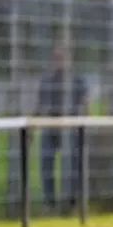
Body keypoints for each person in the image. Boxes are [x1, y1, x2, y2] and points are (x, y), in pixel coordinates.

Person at [35, 47, 88, 212]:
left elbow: (85, 104)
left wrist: (82, 124)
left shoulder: (78, 81)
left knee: (72, 166)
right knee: (46, 165)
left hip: (70, 128)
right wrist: (33, 124)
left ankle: (71, 203)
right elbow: (40, 106)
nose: (60, 62)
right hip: (51, 127)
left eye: (63, 58)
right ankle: (49, 203)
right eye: (56, 58)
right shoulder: (47, 81)